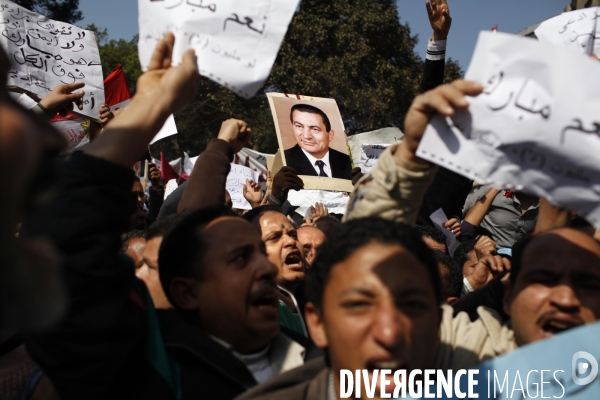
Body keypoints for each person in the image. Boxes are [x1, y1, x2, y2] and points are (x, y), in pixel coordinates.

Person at [20, 33, 313, 400]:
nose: (268, 268)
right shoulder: (151, 375)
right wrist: (150, 109)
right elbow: (64, 250)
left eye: (258, 250)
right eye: (241, 258)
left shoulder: (319, 362)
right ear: (187, 291)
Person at [244, 206, 308, 336]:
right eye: (274, 237)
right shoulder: (248, 312)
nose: (290, 241)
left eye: (293, 235)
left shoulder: (321, 302)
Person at [283, 104, 352, 180]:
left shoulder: (348, 162)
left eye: (315, 129)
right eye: (299, 126)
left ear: (330, 135)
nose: (306, 136)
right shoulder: (284, 161)